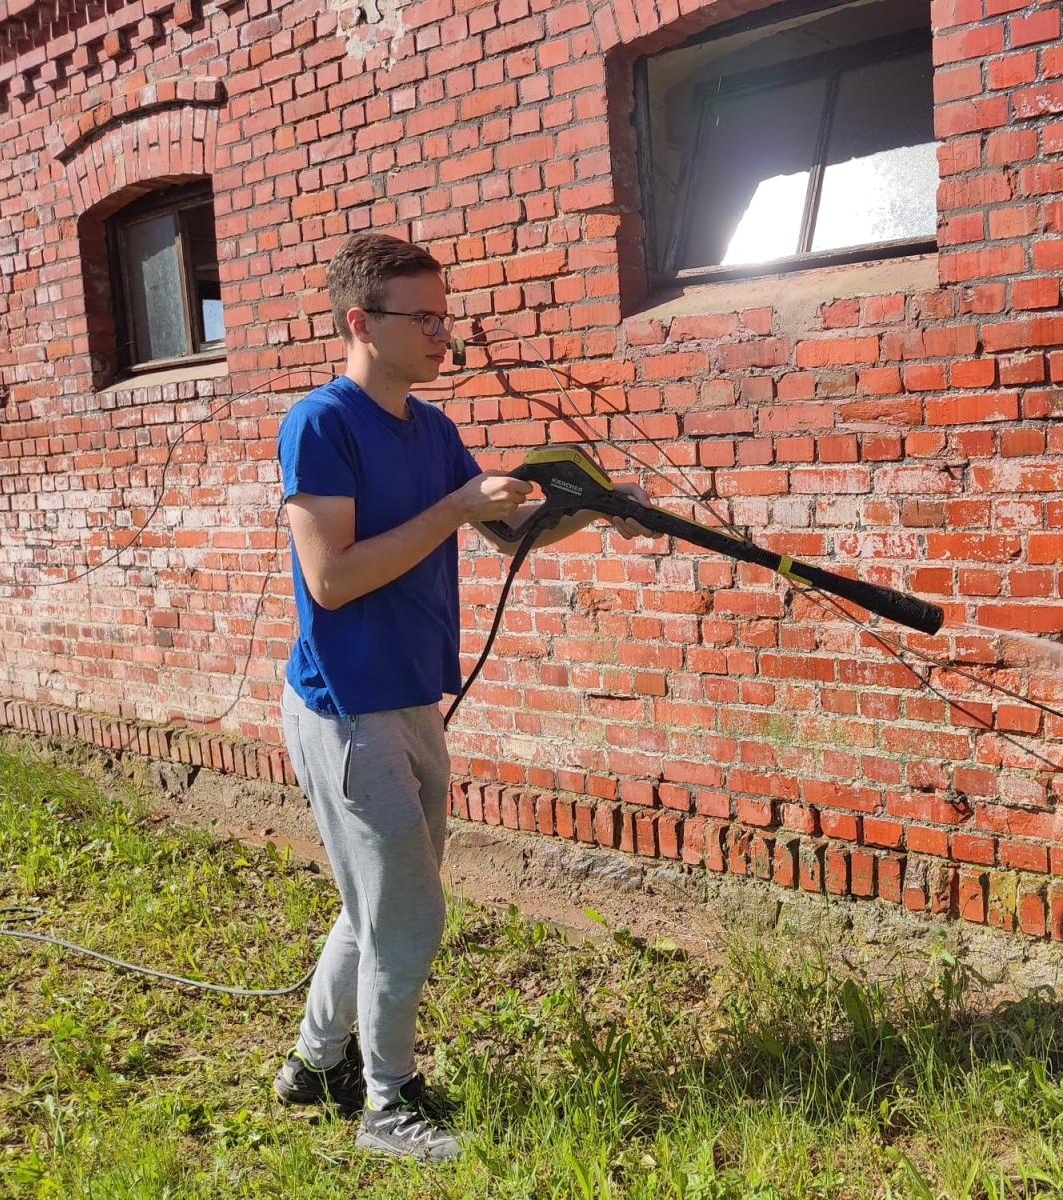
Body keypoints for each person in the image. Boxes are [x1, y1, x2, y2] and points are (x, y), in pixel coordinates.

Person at [271, 232, 652, 1161]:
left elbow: (502, 531)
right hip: (346, 706)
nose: (446, 333)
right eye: (426, 318)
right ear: (362, 323)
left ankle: (314, 1065)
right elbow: (332, 579)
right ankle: (387, 1105)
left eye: (447, 316)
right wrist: (452, 508)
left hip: (410, 695)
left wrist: (596, 509)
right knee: (407, 911)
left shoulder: (434, 430)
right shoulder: (321, 426)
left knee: (380, 902)